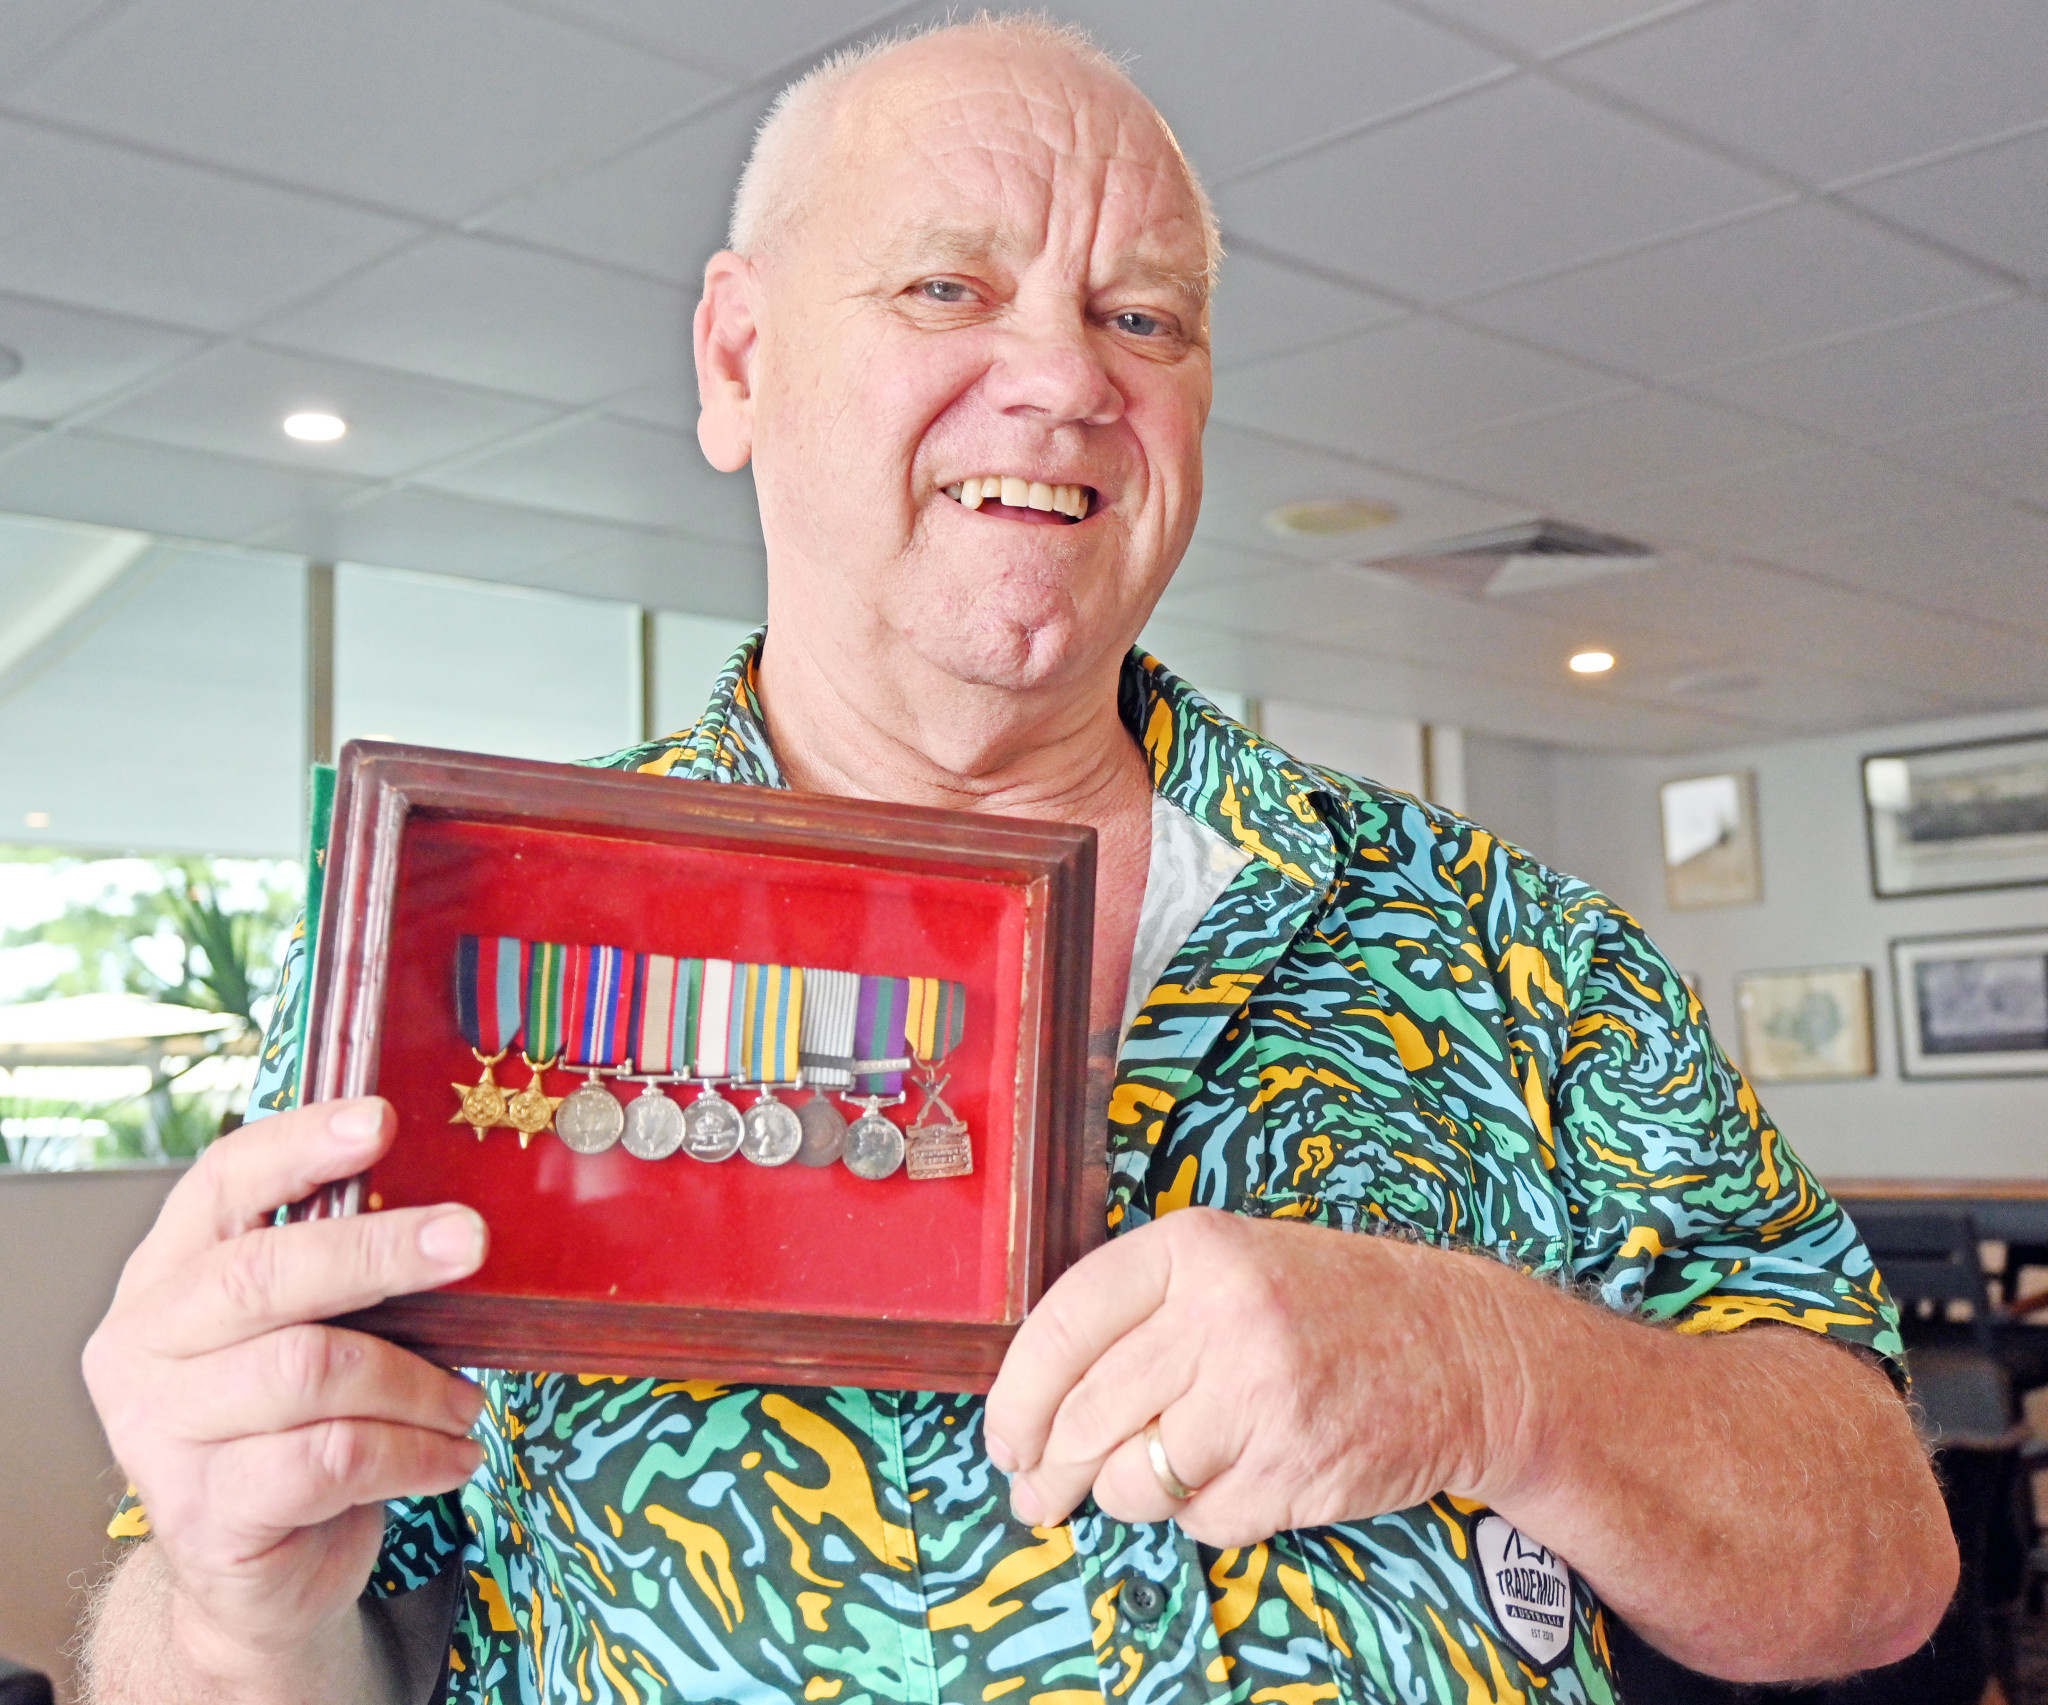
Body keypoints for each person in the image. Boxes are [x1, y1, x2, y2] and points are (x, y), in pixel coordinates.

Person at [78, 16, 1955, 1705]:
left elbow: (1883, 1557)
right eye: (951, 287)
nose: (1062, 377)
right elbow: (291, 1634)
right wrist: (236, 1618)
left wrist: (1489, 1371)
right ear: (740, 357)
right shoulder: (445, 961)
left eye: (1143, 317)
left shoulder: (1511, 941)